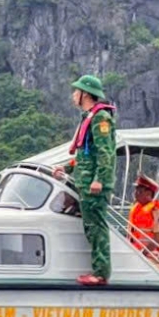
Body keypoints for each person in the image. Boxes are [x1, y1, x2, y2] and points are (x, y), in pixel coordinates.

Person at [53, 75, 116, 285]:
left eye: (76, 91)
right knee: (90, 226)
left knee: (96, 226)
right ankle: (98, 270)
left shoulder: (101, 118)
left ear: (85, 94)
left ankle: (101, 273)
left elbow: (105, 152)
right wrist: (67, 167)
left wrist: (99, 179)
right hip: (85, 181)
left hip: (93, 185)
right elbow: (85, 155)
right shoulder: (88, 117)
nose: (73, 95)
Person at [128, 174, 159, 264]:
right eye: (136, 190)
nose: (136, 194)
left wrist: (142, 254)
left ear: (149, 194)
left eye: (140, 191)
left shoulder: (158, 211)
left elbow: (158, 239)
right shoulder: (136, 208)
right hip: (135, 253)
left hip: (152, 256)